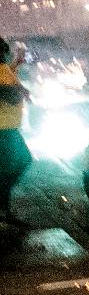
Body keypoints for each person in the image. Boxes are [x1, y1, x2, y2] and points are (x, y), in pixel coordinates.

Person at [0, 37, 32, 223]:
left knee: (13, 167)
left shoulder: (4, 69)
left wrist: (16, 64)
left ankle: (4, 209)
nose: (6, 55)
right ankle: (3, 209)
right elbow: (8, 93)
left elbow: (7, 79)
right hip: (4, 130)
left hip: (8, 128)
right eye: (4, 52)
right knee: (17, 164)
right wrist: (20, 91)